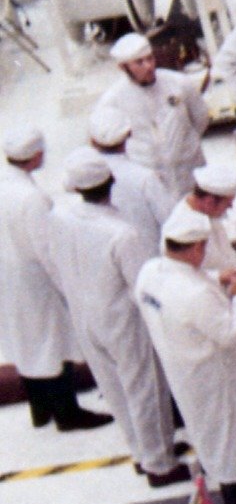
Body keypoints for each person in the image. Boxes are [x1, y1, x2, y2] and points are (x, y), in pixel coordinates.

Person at [135, 205, 236, 504]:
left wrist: (218, 277)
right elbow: (230, 333)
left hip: (185, 369)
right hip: (214, 373)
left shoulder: (150, 272)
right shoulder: (194, 295)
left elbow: (185, 285)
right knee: (227, 435)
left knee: (224, 431)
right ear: (196, 248)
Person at [50, 156, 181, 486]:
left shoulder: (59, 218)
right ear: (111, 184)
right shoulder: (122, 234)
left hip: (84, 315)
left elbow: (55, 265)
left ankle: (141, 453)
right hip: (123, 321)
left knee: (114, 389)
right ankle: (160, 464)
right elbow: (142, 287)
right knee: (145, 389)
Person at [0, 128, 105, 434]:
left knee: (24, 342)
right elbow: (46, 250)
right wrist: (69, 285)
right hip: (35, 282)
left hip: (7, 277)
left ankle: (40, 409)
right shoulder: (32, 198)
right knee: (52, 344)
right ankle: (67, 413)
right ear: (35, 155)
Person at [103, 31, 209, 193]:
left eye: (150, 58)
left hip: (189, 168)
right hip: (151, 175)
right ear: (123, 67)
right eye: (139, 62)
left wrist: (184, 147)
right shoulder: (114, 99)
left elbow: (200, 117)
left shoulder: (179, 83)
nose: (148, 66)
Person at [88, 102, 172, 267]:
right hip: (149, 265)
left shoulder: (84, 178)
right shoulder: (145, 178)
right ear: (129, 134)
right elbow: (171, 221)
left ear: (92, 141)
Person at [184, 160, 236, 278]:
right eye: (228, 203)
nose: (230, 207)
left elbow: (230, 259)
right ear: (210, 202)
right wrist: (220, 277)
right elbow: (184, 276)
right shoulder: (183, 230)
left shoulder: (211, 216)